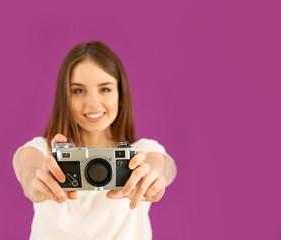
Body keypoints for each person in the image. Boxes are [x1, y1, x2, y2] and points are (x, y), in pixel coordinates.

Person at [12, 41, 177, 240]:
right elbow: (28, 172)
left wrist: (153, 178)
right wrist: (37, 184)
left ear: (120, 95)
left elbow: (163, 166)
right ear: (65, 98)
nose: (92, 103)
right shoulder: (43, 151)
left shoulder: (141, 152)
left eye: (105, 89)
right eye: (78, 90)